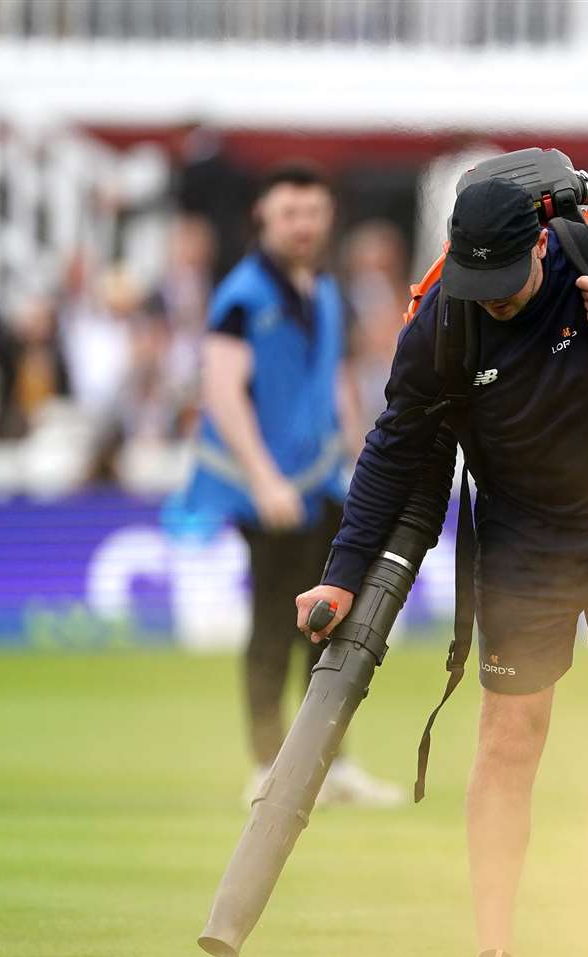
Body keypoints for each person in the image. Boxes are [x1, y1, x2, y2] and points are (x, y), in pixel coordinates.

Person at [294, 176, 588, 957]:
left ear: (540, 243)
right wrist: (342, 574)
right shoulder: (443, 317)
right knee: (507, 740)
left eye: (505, 284)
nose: (491, 302)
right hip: (526, 545)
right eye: (476, 284)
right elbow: (393, 450)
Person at [168, 164, 401, 808]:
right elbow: (221, 391)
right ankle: (268, 766)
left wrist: (360, 453)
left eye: (312, 212)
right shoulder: (242, 295)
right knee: (275, 623)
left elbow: (331, 381)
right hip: (265, 488)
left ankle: (331, 764)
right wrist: (265, 479)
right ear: (263, 220)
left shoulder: (326, 290)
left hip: (322, 479)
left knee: (334, 625)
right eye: (289, 213)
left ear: (327, 218)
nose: (302, 225)